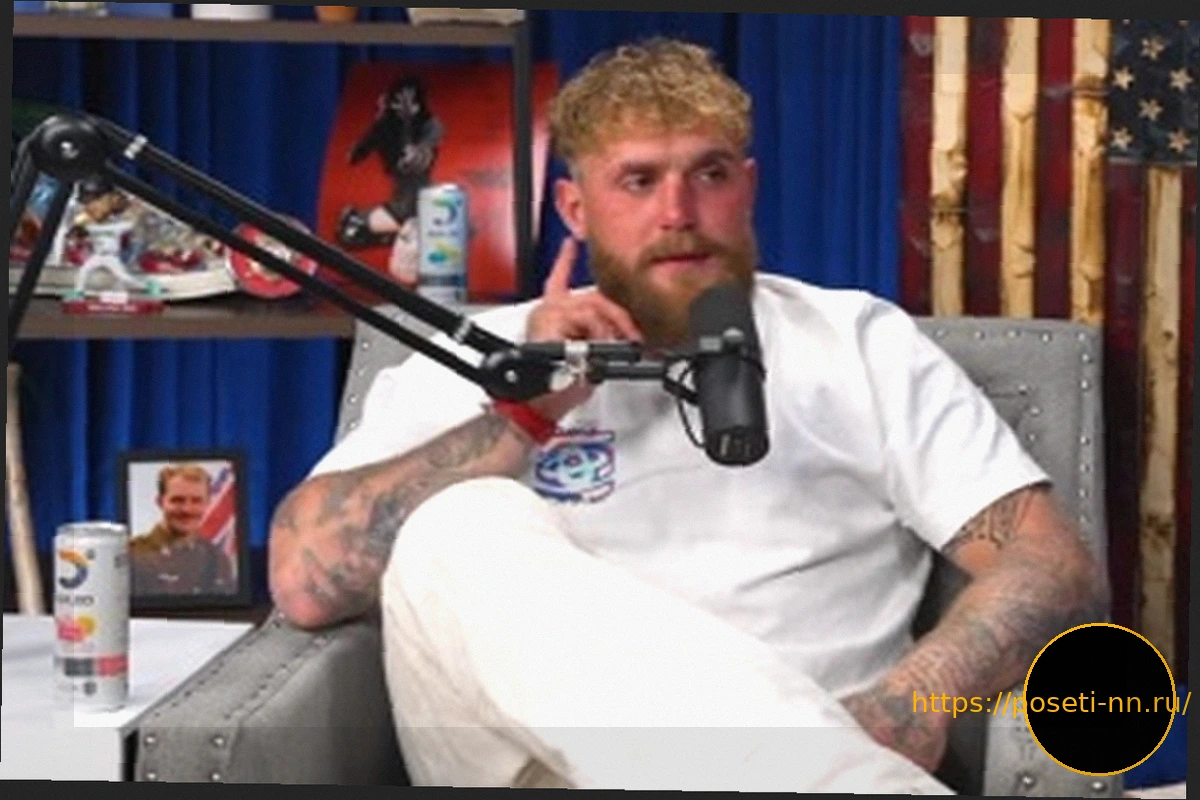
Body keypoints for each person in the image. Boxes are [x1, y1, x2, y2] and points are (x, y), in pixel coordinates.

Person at [267, 38, 1107, 792]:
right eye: (638, 181)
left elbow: (1052, 566)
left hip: (836, 739)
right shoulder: (481, 356)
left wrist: (914, 698)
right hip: (547, 776)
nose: (677, 213)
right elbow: (306, 581)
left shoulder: (857, 343)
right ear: (574, 209)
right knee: (458, 524)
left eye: (708, 174)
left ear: (749, 187)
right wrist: (522, 416)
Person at [131, 464, 235, 597]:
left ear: (207, 503)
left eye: (196, 501)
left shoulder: (218, 559)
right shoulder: (134, 556)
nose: (187, 510)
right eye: (177, 500)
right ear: (160, 502)